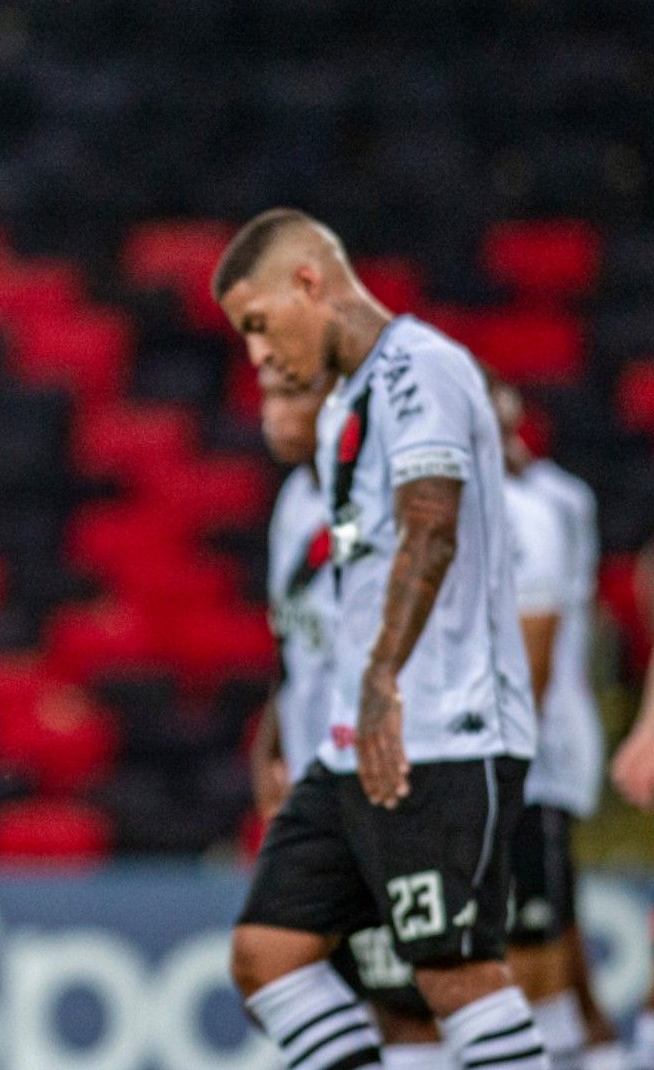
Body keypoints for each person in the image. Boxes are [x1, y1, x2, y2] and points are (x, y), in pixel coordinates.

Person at [218, 208, 548, 1070]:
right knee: (267, 956)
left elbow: (431, 526)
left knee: (452, 977)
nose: (257, 354)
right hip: (351, 747)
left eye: (259, 325)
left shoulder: (421, 368)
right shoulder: (344, 412)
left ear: (309, 283)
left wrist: (380, 678)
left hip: (441, 731)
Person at [252, 362, 449, 1068]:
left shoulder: (382, 507)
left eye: (291, 396)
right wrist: (271, 751)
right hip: (322, 785)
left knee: (410, 1010)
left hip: (385, 788)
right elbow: (295, 647)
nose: (271, 413)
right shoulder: (293, 504)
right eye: (269, 397)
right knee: (324, 984)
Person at [492, 375, 613, 1067]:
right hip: (501, 749)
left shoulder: (551, 505)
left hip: (536, 753)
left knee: (535, 926)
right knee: (549, 913)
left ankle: (580, 1044)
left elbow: (548, 635)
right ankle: (595, 1044)